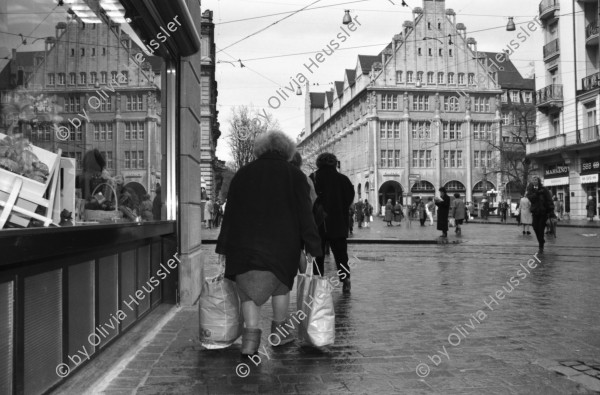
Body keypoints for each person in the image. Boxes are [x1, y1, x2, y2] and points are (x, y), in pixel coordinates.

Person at [216, 131, 321, 358]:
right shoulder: (294, 175)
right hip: (281, 247)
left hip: (243, 247)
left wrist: (222, 247)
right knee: (281, 288)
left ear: (259, 150)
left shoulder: (243, 174)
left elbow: (231, 214)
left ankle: (250, 342)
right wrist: (313, 245)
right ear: (287, 151)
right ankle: (280, 335)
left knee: (247, 293)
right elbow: (305, 215)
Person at [310, 153, 355, 293]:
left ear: (318, 163)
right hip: (338, 222)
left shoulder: (313, 178)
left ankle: (318, 281)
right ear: (335, 163)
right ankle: (345, 279)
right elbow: (349, 198)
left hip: (319, 223)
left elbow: (307, 199)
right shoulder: (343, 179)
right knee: (341, 254)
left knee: (318, 255)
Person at [526, 176, 555, 253]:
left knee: (541, 228)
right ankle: (541, 240)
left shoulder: (544, 189)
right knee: (535, 227)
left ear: (538, 181)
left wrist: (551, 212)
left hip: (543, 212)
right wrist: (537, 193)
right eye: (533, 180)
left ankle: (541, 245)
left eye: (536, 180)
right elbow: (530, 198)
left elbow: (549, 200)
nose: (534, 181)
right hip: (535, 212)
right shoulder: (530, 190)